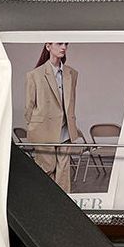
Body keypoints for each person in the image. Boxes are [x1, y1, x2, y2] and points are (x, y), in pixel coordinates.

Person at [24, 42, 82, 193]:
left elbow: (71, 101)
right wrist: (34, 126)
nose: (63, 47)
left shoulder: (72, 74)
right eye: (59, 43)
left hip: (65, 129)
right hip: (44, 129)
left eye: (66, 44)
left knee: (63, 170)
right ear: (48, 46)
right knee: (47, 167)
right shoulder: (35, 75)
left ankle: (63, 202)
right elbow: (29, 106)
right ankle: (45, 200)